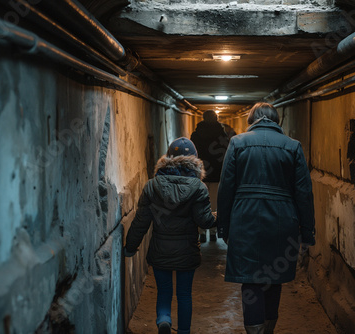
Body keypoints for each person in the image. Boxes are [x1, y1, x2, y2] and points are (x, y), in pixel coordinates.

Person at [217, 102, 315, 334]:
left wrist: (224, 227)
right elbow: (304, 192)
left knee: (250, 281)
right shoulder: (292, 146)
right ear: (277, 121)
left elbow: (226, 188)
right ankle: (268, 330)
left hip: (245, 219)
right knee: (273, 278)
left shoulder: (237, 143)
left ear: (251, 120)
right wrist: (307, 231)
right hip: (282, 221)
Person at [124, 137, 217, 334]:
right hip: (187, 251)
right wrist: (220, 216)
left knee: (164, 292)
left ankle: (164, 320)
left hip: (160, 250)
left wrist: (131, 246)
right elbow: (205, 221)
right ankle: (183, 330)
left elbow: (142, 221)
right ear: (194, 161)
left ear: (168, 158)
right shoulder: (199, 188)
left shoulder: (152, 185)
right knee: (184, 295)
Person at [190, 110, 229, 242]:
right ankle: (213, 231)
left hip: (200, 174)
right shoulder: (222, 135)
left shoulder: (196, 135)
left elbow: (192, 155)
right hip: (217, 175)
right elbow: (226, 155)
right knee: (214, 204)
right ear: (216, 118)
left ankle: (201, 232)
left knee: (199, 202)